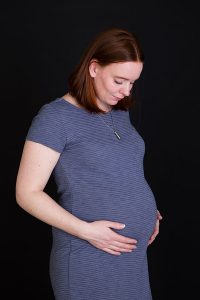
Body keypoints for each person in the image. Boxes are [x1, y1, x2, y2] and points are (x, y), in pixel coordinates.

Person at [16, 27, 162, 300]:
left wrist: (146, 210)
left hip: (131, 257)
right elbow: (26, 193)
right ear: (94, 68)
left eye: (132, 83)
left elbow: (118, 170)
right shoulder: (55, 117)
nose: (126, 90)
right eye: (119, 81)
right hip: (88, 253)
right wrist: (88, 231)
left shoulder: (120, 112)